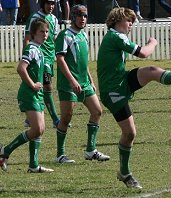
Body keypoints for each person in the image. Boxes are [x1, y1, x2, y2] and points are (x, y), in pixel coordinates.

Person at [97, 7, 171, 189]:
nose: (131, 24)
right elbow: (143, 53)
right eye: (128, 20)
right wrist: (153, 42)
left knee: (152, 71)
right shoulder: (115, 36)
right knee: (130, 133)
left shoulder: (116, 36)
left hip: (121, 81)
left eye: (132, 21)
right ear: (117, 20)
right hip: (112, 90)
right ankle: (124, 172)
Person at [54, 4, 110, 164]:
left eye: (85, 16)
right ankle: (60, 154)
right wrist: (72, 80)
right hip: (68, 84)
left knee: (97, 111)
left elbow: (84, 62)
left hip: (84, 83)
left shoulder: (84, 36)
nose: (83, 19)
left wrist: (91, 80)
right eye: (80, 16)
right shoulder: (65, 35)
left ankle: (90, 150)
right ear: (73, 17)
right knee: (66, 118)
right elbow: (60, 59)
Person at [0, 18, 54, 173]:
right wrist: (32, 84)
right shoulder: (31, 48)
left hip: (37, 94)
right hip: (29, 94)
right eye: (41, 32)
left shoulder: (39, 49)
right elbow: (20, 68)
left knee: (40, 129)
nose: (45, 35)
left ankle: (33, 165)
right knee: (37, 129)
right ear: (33, 33)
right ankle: (6, 151)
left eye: (46, 31)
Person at [23, 0, 60, 128]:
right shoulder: (34, 18)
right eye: (48, 3)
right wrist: (27, 58)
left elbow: (54, 38)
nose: (51, 6)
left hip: (50, 58)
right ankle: (55, 119)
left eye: (53, 4)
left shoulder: (54, 19)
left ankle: (30, 117)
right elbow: (27, 39)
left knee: (42, 86)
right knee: (47, 87)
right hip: (39, 59)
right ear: (42, 3)